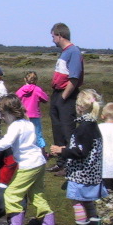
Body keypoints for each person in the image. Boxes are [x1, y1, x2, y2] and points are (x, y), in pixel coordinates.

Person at [0, 95, 56, 225]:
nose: (2, 118)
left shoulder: (16, 126)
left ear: (10, 112)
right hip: (39, 162)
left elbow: (5, 143)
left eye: (3, 114)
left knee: (11, 194)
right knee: (37, 195)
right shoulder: (27, 123)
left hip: (28, 165)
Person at [49, 88, 103, 225]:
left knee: (77, 203)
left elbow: (80, 152)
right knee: (89, 204)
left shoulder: (83, 128)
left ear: (79, 107)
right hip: (92, 173)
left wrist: (62, 151)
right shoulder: (93, 125)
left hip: (81, 174)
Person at [48, 23, 83, 172]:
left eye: (53, 36)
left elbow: (74, 78)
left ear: (60, 35)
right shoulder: (65, 52)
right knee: (57, 128)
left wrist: (63, 97)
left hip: (66, 95)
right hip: (57, 93)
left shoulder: (73, 52)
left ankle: (70, 164)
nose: (52, 40)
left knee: (67, 130)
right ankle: (61, 162)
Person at [15, 71, 49, 150]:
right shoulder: (37, 89)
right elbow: (45, 99)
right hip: (35, 115)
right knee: (37, 134)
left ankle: (25, 150)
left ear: (25, 79)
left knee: (24, 134)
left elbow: (15, 100)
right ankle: (41, 151)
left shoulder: (21, 90)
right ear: (36, 80)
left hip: (24, 116)